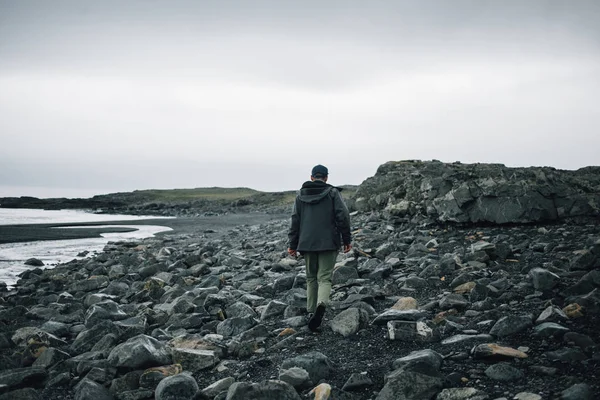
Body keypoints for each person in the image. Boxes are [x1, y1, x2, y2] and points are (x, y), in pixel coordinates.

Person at [288, 164, 352, 331]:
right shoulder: (332, 193)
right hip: (329, 242)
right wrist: (347, 239)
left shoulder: (300, 195)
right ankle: (321, 305)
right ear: (326, 178)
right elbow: (343, 216)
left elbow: (295, 220)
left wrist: (292, 245)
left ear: (311, 177)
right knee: (324, 278)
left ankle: (311, 311)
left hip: (307, 243)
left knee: (311, 278)